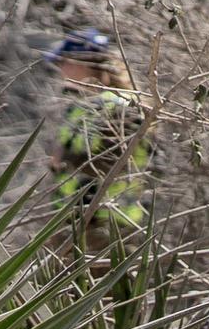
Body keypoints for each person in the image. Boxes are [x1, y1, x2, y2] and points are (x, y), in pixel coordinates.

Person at [47, 25, 148, 236]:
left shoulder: (122, 108)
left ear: (83, 63)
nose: (61, 69)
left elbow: (109, 163)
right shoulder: (80, 108)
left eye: (64, 61)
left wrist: (63, 162)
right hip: (76, 220)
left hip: (107, 224)